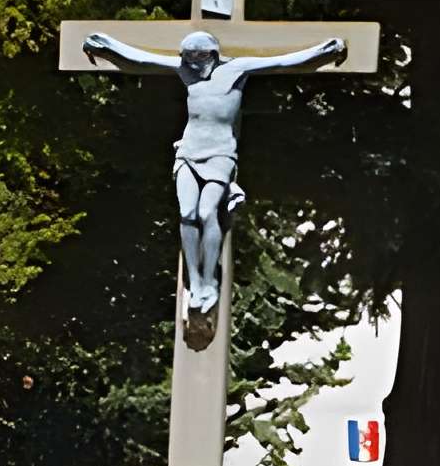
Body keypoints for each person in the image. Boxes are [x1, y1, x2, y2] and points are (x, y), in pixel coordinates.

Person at [79, 27, 347, 345]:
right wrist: (106, 44)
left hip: (220, 153)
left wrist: (324, 51)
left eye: (199, 56)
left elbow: (283, 62)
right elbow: (142, 59)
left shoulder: (237, 69)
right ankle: (195, 283)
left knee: (208, 213)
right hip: (188, 152)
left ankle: (209, 282)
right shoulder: (186, 72)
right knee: (187, 215)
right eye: (188, 57)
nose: (193, 63)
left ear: (212, 55)